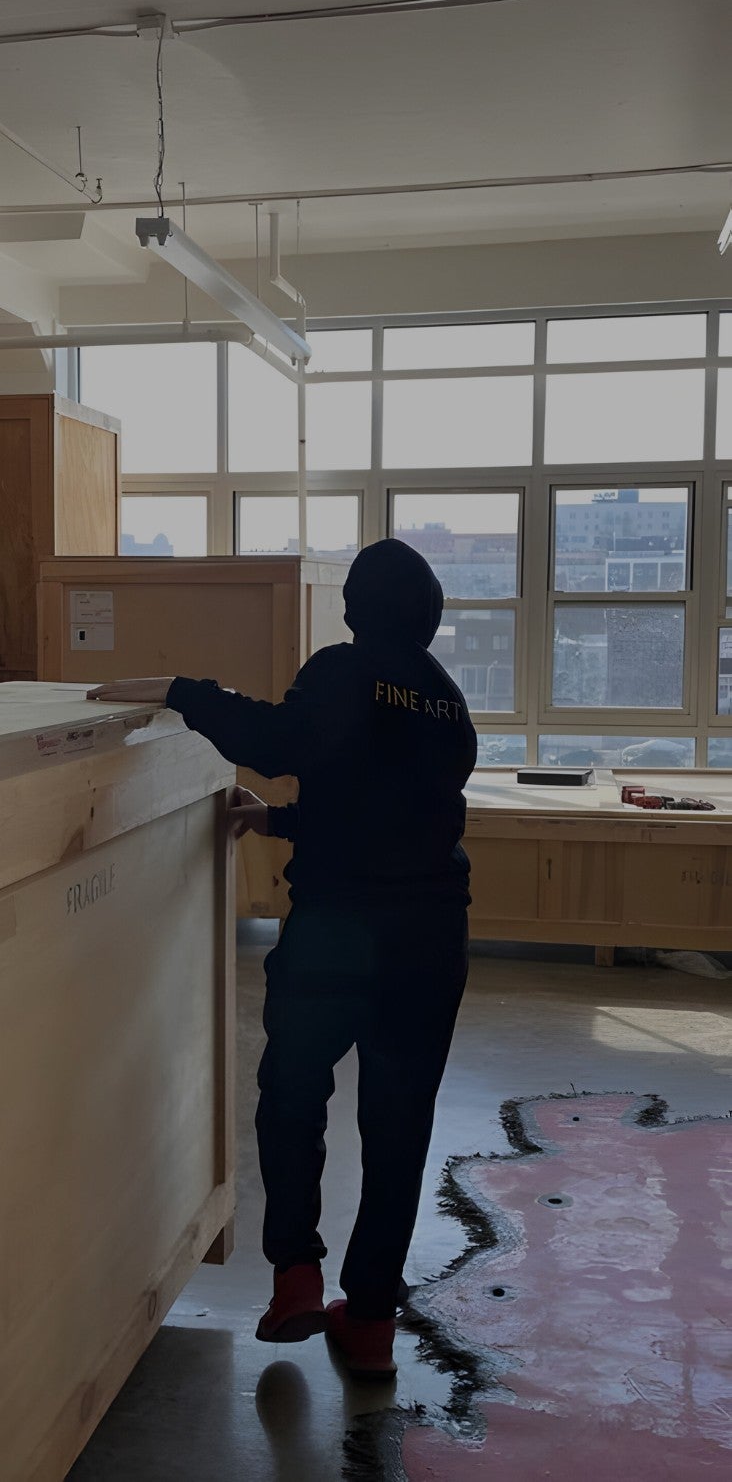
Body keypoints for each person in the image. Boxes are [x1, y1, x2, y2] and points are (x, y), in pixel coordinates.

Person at [88, 538, 476, 1379]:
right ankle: (370, 1321)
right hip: (433, 939)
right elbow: (394, 818)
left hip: (339, 931)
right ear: (431, 615)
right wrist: (277, 823)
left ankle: (296, 1276)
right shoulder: (448, 701)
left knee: (293, 1096)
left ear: (355, 607)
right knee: (399, 1129)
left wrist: (182, 691)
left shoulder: (344, 669)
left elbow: (273, 740)